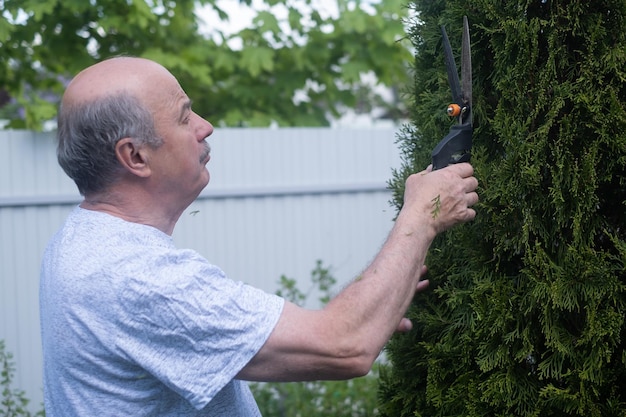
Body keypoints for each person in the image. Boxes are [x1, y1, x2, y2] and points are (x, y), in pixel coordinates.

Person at [39, 56, 479, 416]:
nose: (204, 126)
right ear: (135, 156)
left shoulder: (80, 242)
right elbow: (345, 345)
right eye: (184, 115)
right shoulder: (135, 276)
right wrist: (422, 213)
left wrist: (376, 305)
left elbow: (320, 339)